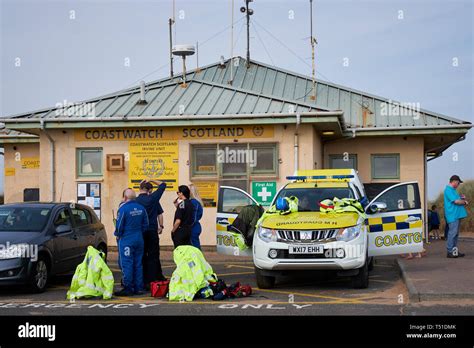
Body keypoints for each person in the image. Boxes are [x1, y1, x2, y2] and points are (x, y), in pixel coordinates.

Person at [114, 188, 149, 296]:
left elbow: (119, 226)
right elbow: (146, 224)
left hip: (126, 240)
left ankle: (128, 287)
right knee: (138, 264)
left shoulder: (123, 209)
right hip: (139, 239)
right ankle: (138, 288)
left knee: (127, 263)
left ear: (125, 197)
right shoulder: (141, 208)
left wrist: (118, 235)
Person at [136, 179, 167, 287]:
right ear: (149, 190)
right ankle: (154, 279)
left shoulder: (135, 201)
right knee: (153, 255)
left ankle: (144, 280)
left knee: (142, 255)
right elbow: (163, 185)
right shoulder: (153, 199)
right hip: (152, 231)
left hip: (140, 232)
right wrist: (151, 179)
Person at [444, 175, 469, 258]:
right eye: (458, 183)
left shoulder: (453, 190)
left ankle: (454, 251)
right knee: (452, 233)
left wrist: (461, 197)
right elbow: (456, 202)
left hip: (456, 215)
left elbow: (457, 199)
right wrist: (464, 202)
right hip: (453, 215)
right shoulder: (448, 190)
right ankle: (450, 251)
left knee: (455, 234)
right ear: (454, 181)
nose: (458, 184)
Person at [189, 184, 204, 249]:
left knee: (194, 248)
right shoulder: (196, 202)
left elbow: (193, 217)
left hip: (193, 227)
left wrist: (187, 226)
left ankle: (197, 259)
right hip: (195, 226)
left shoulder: (194, 202)